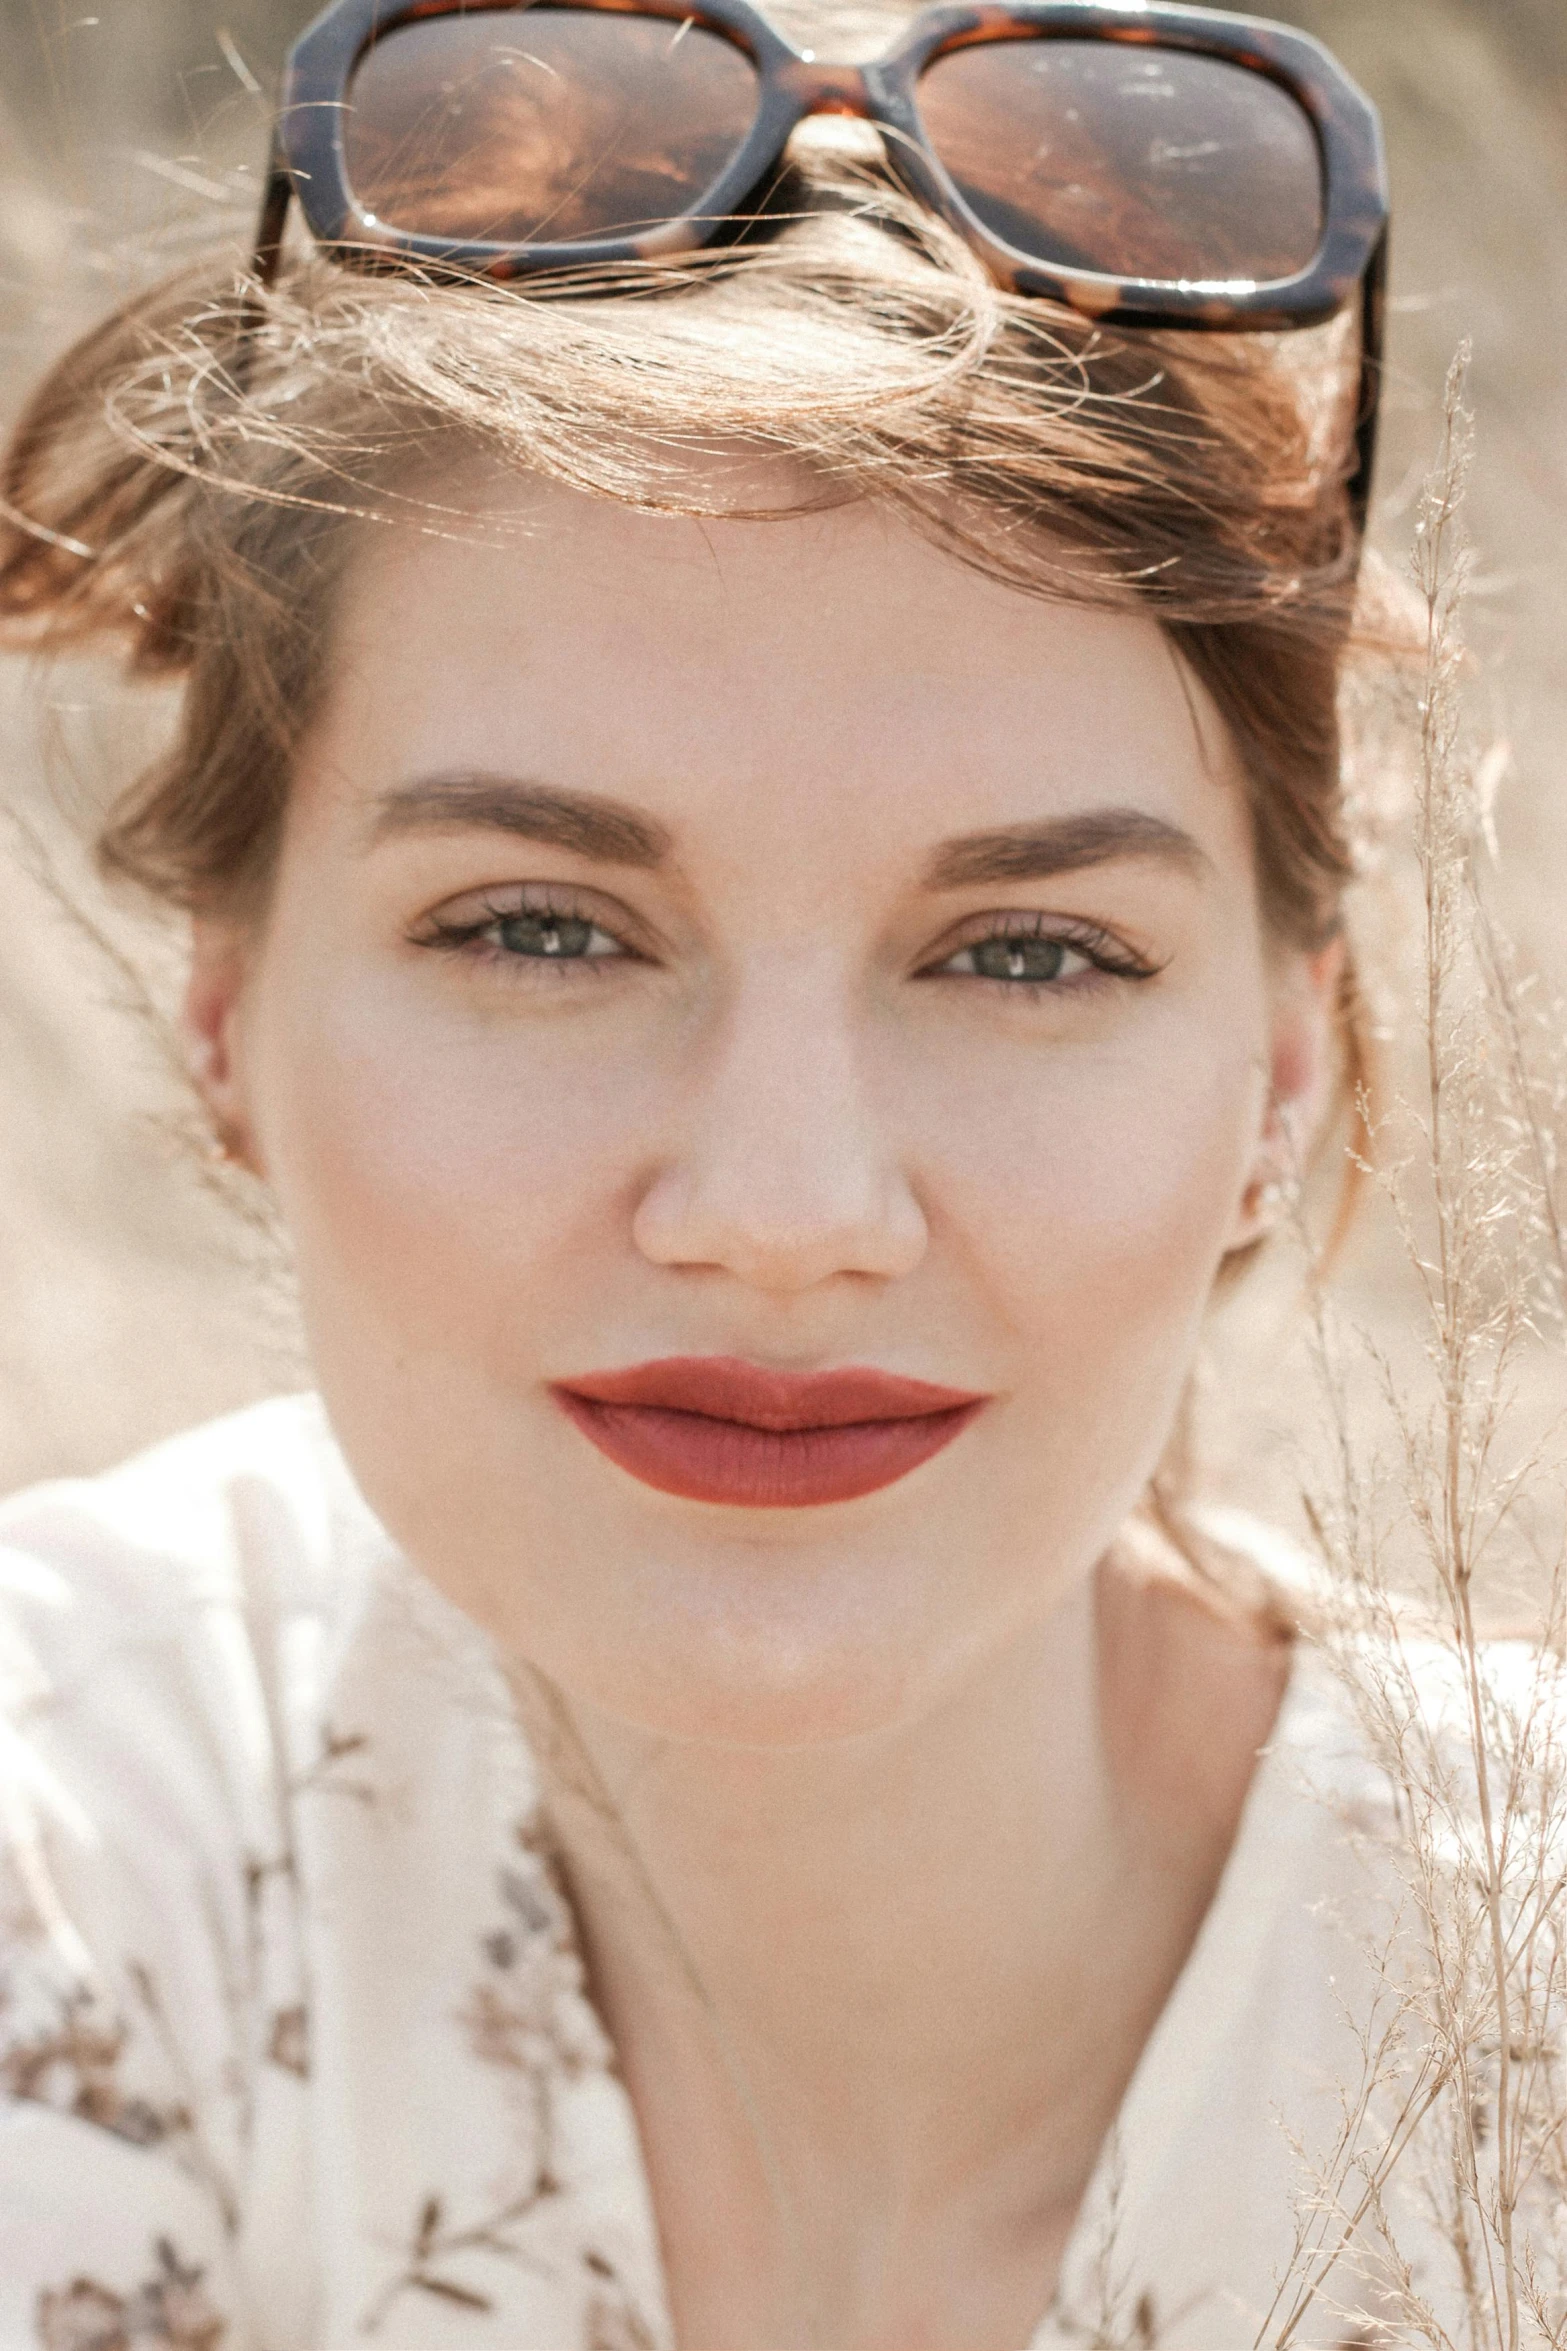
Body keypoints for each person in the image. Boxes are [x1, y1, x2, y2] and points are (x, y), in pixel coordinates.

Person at [0, 4, 1530, 2345]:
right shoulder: (70, 1842)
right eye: (537, 925)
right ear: (226, 1011)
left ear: (1281, 1068)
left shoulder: (1516, 2044)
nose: (789, 1205)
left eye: (1027, 949)